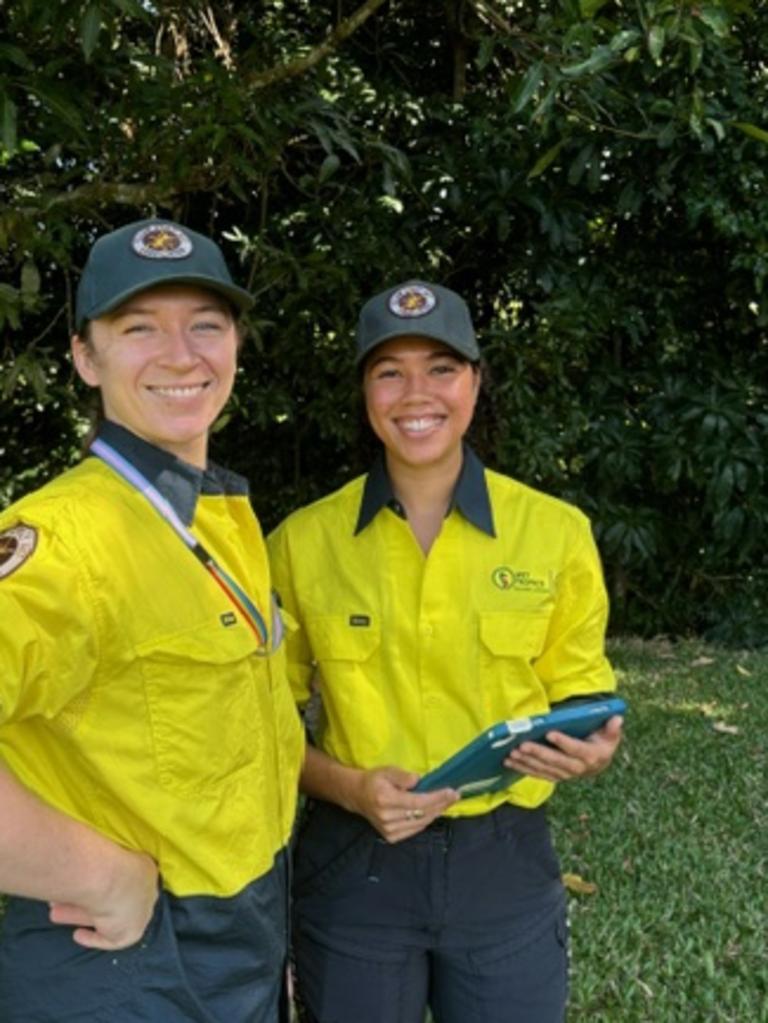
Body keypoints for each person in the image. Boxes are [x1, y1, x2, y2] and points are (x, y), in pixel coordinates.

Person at [267, 280, 623, 1023]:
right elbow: (259, 727)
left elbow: (583, 700)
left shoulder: (555, 532)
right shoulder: (303, 543)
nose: (415, 393)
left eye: (441, 367)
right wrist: (351, 787)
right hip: (356, 860)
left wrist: (592, 747)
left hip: (506, 859)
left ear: (475, 381)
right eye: (389, 370)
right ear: (365, 390)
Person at [0, 219, 304, 1022]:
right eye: (139, 328)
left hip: (239, 939)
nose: (181, 353)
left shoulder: (221, 518)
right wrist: (94, 873)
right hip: (123, 962)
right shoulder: (65, 541)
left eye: (205, 324)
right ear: (84, 357)